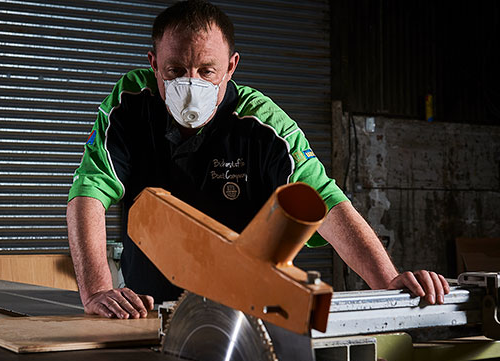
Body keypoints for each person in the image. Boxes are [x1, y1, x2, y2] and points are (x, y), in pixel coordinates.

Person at [67, 0, 449, 319]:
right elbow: (88, 193)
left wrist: (388, 282)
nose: (190, 84)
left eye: (206, 71)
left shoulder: (263, 123)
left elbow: (326, 204)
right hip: (147, 316)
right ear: (153, 64)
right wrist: (98, 291)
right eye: (175, 71)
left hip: (242, 320)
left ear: (231, 67)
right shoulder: (130, 104)